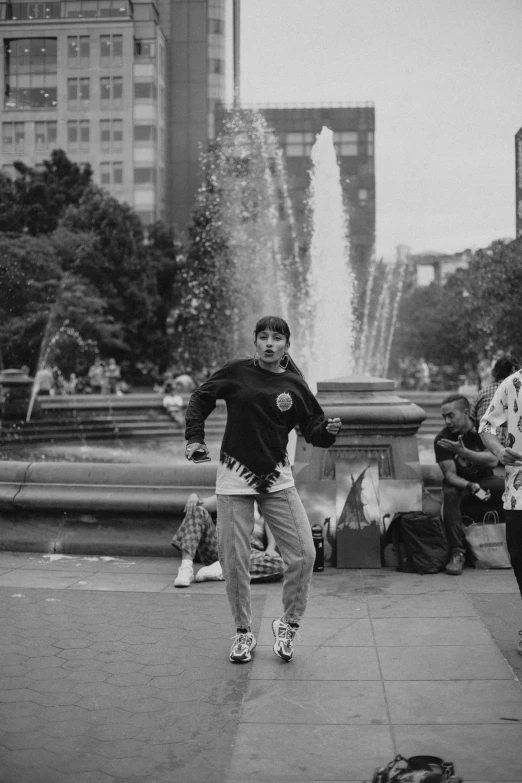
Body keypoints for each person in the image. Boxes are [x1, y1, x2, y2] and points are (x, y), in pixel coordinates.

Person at [184, 315, 341, 664]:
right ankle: (243, 632)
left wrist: (328, 431)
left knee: (305, 554)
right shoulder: (236, 372)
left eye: (277, 338)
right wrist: (194, 438)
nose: (270, 343)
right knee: (233, 561)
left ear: (287, 345)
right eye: (263, 337)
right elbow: (200, 398)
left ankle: (287, 625)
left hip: (276, 479)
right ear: (255, 341)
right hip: (233, 479)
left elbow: (312, 429)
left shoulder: (294, 385)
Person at [479, 370, 522, 656]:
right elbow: (486, 425)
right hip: (519, 492)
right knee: (519, 557)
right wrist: (497, 450)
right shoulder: (514, 383)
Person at [434, 394, 501, 575]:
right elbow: (449, 475)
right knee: (450, 493)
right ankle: (457, 553)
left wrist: (463, 452)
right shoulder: (443, 439)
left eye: (451, 415)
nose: (447, 421)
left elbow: (494, 460)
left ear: (465, 412)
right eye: (444, 417)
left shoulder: (483, 429)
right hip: (460, 484)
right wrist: (469, 485)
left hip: (486, 480)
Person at [171, 493, 284, 586]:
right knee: (197, 510)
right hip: (221, 545)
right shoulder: (228, 493)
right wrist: (194, 497)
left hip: (248, 551)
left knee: (279, 565)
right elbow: (202, 505)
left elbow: (272, 525)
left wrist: (271, 547)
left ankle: (224, 570)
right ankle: (186, 568)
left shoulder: (264, 501)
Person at [470, 355, 519, 446]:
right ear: (513, 371)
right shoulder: (516, 393)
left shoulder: (482, 393)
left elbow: (471, 421)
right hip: (509, 450)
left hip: (483, 448)